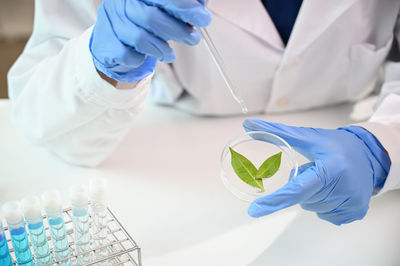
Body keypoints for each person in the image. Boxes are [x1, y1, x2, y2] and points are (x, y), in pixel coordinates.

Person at [7, 0, 400, 225]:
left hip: (349, 127)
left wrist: (383, 145)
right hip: (170, 167)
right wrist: (100, 63)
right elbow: (42, 120)